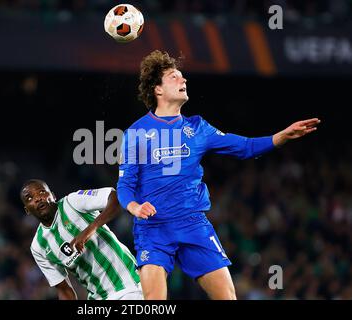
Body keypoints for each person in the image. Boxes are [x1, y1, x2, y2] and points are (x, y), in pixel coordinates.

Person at [116, 50, 321, 300]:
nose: (184, 81)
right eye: (174, 77)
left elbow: (244, 147)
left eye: (183, 77)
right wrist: (135, 207)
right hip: (153, 229)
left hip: (193, 225)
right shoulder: (136, 132)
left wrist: (280, 137)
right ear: (157, 89)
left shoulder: (198, 127)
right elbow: (125, 185)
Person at [20, 179, 143, 300]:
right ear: (27, 210)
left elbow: (115, 198)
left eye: (41, 192)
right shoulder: (38, 247)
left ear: (53, 195)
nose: (37, 198)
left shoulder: (73, 202)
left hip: (129, 283)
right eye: (29, 198)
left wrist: (88, 231)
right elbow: (64, 290)